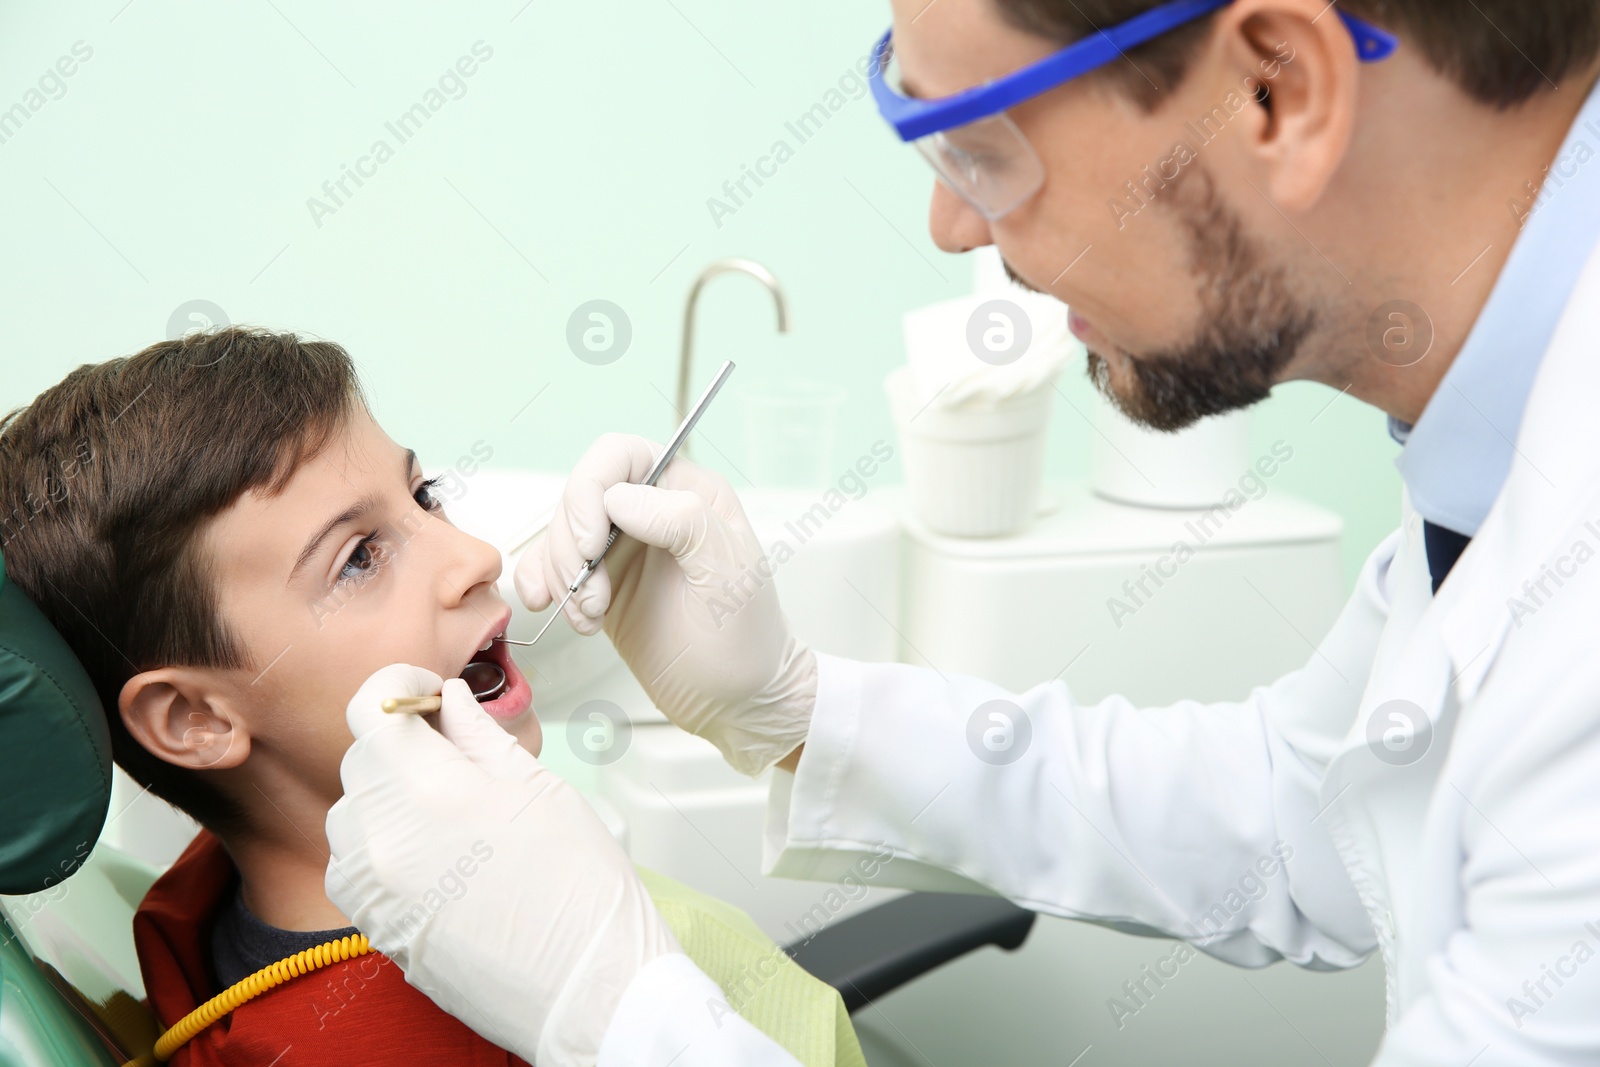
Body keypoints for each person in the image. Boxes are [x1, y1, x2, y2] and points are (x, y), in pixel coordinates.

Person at [326, 0, 1600, 1064]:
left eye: (977, 147)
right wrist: (791, 708)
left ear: (1276, 90)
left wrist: (615, 1009)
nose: (951, 227)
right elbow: (1294, 811)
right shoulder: (1504, 436)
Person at [0, 329, 862, 1067]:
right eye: (359, 558)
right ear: (197, 718)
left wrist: (786, 707)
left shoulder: (204, 913)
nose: (475, 554)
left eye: (425, 495)